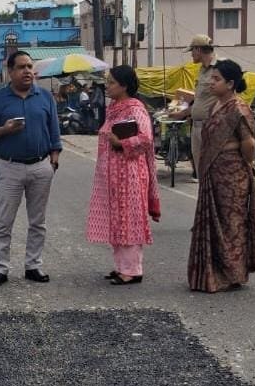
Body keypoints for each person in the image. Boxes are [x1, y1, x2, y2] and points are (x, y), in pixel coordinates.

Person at [0, 51, 62, 288]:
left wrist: (53, 161)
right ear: (10, 71)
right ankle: (0, 268)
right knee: (4, 222)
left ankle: (33, 265)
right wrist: (4, 130)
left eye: (29, 66)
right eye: (22, 67)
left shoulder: (44, 97)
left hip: (40, 166)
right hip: (10, 167)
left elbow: (54, 132)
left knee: (38, 221)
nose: (27, 71)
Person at [188, 59, 255, 293]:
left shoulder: (238, 108)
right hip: (213, 171)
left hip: (232, 173)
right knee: (214, 223)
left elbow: (249, 143)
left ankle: (232, 274)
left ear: (230, 84)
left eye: (216, 79)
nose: (211, 82)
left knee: (231, 223)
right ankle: (213, 274)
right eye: (211, 78)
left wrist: (247, 163)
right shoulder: (215, 105)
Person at [86, 65, 161, 285]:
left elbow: (146, 139)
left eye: (111, 82)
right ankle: (121, 266)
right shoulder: (114, 108)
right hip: (112, 174)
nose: (107, 86)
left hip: (130, 174)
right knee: (117, 219)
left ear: (124, 86)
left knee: (129, 219)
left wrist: (121, 143)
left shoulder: (135, 109)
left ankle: (132, 270)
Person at [169, 34, 219, 179]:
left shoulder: (220, 68)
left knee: (214, 172)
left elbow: (227, 98)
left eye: (192, 51)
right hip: (197, 126)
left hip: (211, 127)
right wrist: (182, 113)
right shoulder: (202, 70)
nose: (191, 54)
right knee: (201, 172)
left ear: (198, 49)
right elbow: (200, 101)